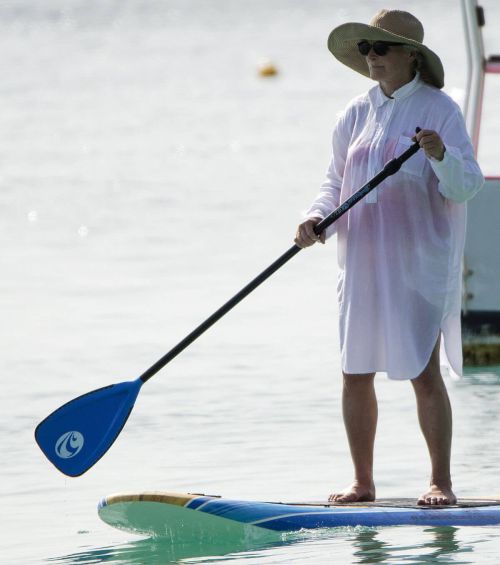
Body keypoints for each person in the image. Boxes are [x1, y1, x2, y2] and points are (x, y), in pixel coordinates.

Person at [295, 9, 484, 506]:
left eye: (381, 48)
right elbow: (333, 183)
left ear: (410, 56)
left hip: (416, 260)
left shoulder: (440, 108)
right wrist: (316, 217)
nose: (372, 57)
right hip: (360, 261)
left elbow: (466, 186)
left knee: (423, 372)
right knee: (354, 371)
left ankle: (440, 481)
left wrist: (442, 154)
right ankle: (362, 482)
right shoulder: (353, 113)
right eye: (366, 49)